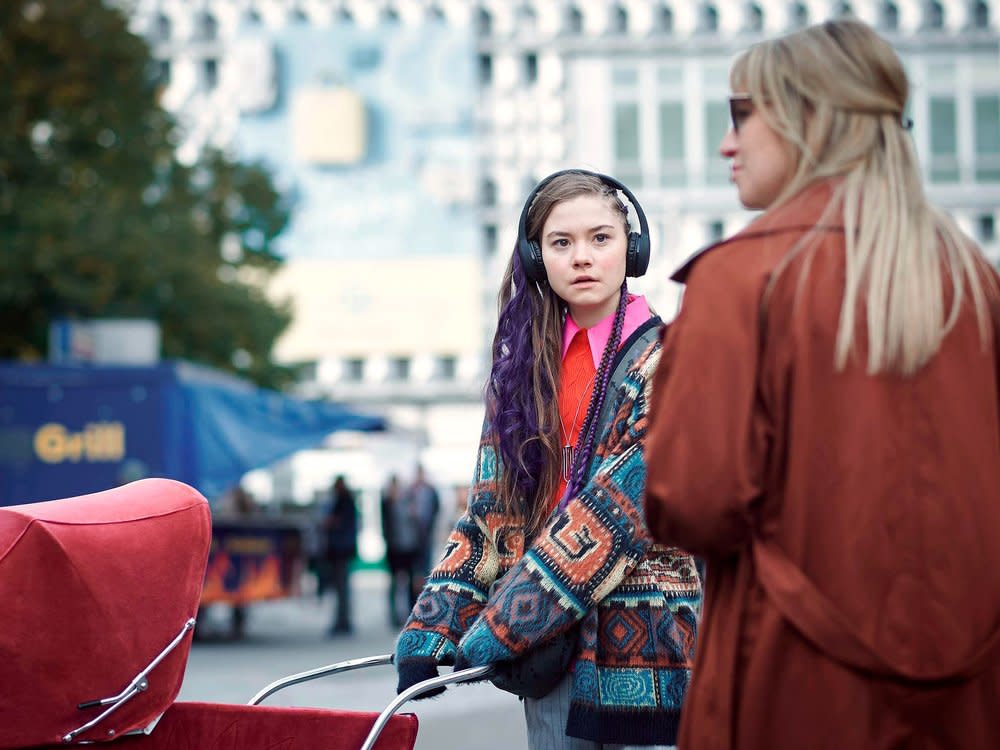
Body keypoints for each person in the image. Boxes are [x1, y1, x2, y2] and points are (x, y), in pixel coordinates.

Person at [643, 19, 1000, 750]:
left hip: (787, 683)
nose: (726, 143)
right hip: (969, 692)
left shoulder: (741, 280)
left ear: (811, 117)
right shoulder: (974, 281)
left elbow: (691, 505)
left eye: (743, 113)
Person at [394, 169, 702, 749]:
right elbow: (491, 513)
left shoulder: (676, 359)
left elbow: (620, 512)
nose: (582, 257)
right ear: (538, 259)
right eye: (562, 243)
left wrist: (505, 622)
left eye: (600, 238)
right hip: (549, 656)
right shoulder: (521, 375)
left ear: (632, 250)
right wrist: (432, 624)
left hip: (649, 652)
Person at [381, 473, 421, 627]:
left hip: (409, 548)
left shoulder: (408, 503)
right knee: (394, 583)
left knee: (411, 583)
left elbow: (415, 524)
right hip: (395, 548)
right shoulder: (387, 504)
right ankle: (394, 615)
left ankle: (411, 613)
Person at [323, 475, 358, 636]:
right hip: (342, 550)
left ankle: (343, 621)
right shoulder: (346, 501)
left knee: (342, 588)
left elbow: (338, 523)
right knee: (341, 588)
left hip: (340, 550)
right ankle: (343, 620)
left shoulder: (343, 502)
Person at [402, 464, 440, 587]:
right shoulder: (410, 490)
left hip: (426, 534)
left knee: (426, 567)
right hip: (413, 537)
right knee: (414, 569)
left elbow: (436, 508)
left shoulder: (430, 490)